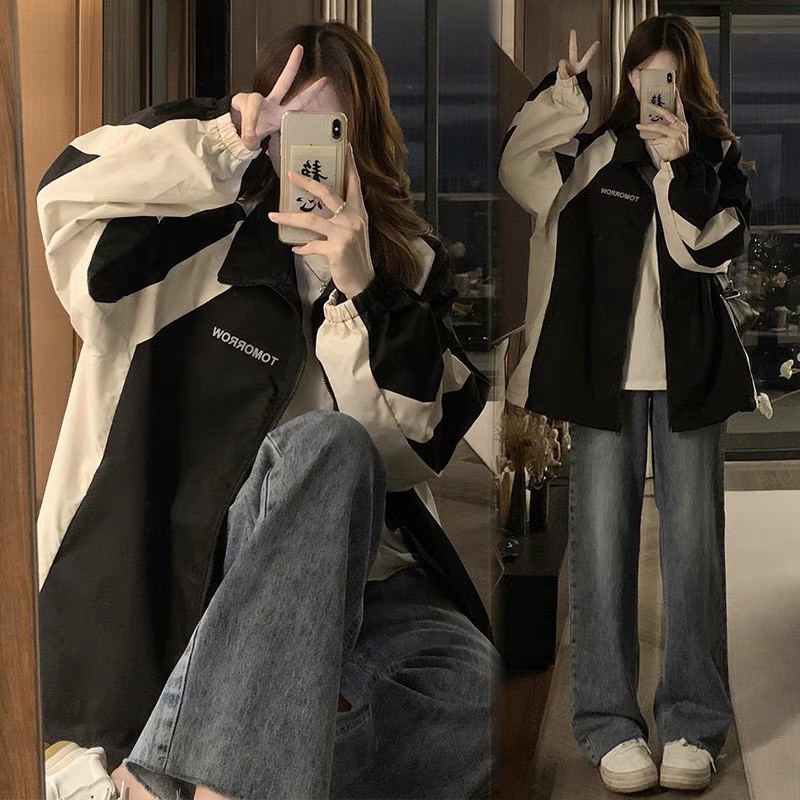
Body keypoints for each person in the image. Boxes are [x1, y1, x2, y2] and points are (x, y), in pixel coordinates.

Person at [37, 21, 498, 800]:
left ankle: (176, 778)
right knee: (329, 445)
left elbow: (404, 455)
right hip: (191, 569)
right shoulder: (181, 244)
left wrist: (359, 291)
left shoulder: (404, 268)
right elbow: (64, 195)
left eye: (330, 128)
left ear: (363, 140)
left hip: (361, 577)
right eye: (291, 123)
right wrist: (221, 138)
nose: (307, 149)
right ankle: (220, 774)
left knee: (469, 704)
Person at [499, 15, 771, 796]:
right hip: (602, 380)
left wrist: (679, 165)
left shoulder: (714, 155)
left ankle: (693, 721)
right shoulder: (595, 155)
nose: (654, 89)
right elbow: (520, 171)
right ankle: (607, 722)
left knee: (692, 553)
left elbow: (707, 249)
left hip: (691, 379)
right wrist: (561, 99)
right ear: (626, 79)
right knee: (602, 552)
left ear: (688, 82)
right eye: (642, 74)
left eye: (669, 76)